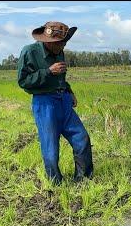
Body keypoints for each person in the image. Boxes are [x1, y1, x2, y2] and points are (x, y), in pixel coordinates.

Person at [17, 21, 93, 184]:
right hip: (45, 104)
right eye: (60, 43)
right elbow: (23, 81)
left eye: (65, 42)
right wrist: (48, 72)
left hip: (63, 101)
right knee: (50, 149)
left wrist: (69, 91)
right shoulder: (29, 52)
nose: (63, 46)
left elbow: (61, 78)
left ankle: (83, 180)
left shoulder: (60, 52)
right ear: (48, 41)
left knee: (82, 138)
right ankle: (55, 183)